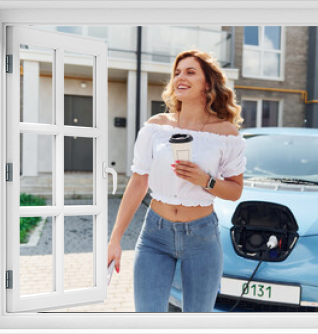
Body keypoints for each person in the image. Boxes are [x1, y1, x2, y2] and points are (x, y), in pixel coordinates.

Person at [107, 49, 247, 312]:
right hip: (154, 236)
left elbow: (235, 191)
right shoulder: (156, 127)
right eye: (177, 72)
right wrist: (115, 240)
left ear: (208, 83)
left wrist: (207, 181)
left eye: (190, 72)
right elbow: (138, 183)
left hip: (202, 237)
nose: (180, 77)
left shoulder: (226, 134)